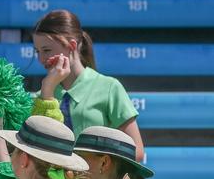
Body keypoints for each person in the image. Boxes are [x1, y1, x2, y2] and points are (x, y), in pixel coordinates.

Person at [32, 9, 145, 161]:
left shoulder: (109, 87)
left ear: (71, 46)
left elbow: (136, 151)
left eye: (46, 50)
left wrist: (96, 168)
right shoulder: (41, 97)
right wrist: (47, 91)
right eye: (37, 51)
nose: (41, 59)